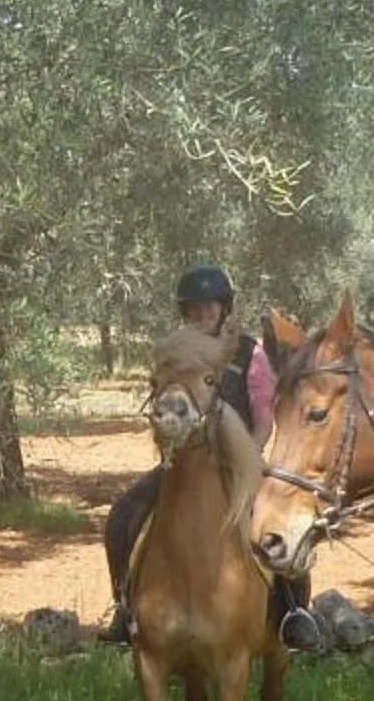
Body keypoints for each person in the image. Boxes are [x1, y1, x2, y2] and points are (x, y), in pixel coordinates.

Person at [102, 263, 325, 653]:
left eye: (209, 307)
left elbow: (263, 414)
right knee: (124, 513)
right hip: (184, 461)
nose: (202, 314)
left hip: (238, 462)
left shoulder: (249, 353)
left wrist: (250, 455)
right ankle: (125, 606)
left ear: (224, 308)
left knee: (274, 528)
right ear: (184, 311)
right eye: (194, 308)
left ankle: (293, 611)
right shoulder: (173, 351)